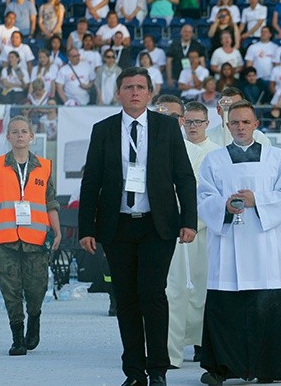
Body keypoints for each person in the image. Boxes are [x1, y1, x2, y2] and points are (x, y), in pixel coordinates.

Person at [78, 67, 198, 386]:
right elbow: (90, 183)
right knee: (126, 299)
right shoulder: (103, 130)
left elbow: (184, 176)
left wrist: (189, 220)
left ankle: (158, 369)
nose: (134, 92)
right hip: (117, 227)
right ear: (118, 93)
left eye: (140, 87)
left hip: (158, 227)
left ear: (150, 93)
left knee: (153, 294)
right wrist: (86, 228)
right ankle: (134, 372)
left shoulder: (167, 128)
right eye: (128, 87)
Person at [197, 100, 281, 385]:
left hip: (263, 242)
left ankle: (270, 367)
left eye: (246, 122)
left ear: (256, 124)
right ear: (227, 125)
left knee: (266, 303)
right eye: (235, 122)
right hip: (229, 243)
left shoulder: (274, 157)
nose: (240, 127)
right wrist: (224, 206)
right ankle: (221, 367)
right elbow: (203, 199)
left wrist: (259, 201)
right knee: (226, 305)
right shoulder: (214, 160)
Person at [154, 95, 215, 369]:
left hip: (189, 232)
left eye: (173, 117)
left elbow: (203, 195)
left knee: (192, 291)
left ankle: (198, 346)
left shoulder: (201, 154)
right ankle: (164, 351)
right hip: (155, 231)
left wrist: (187, 223)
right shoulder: (149, 148)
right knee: (162, 293)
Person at [0, 115, 60, 356]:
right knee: (10, 290)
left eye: (24, 131)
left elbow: (50, 201)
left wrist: (58, 230)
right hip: (4, 239)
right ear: (8, 137)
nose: (20, 135)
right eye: (15, 131)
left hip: (36, 239)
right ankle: (17, 337)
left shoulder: (44, 166)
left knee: (35, 288)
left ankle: (34, 318)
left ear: (32, 137)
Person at [206, 87, 272, 146]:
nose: (234, 112)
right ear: (218, 110)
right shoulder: (207, 137)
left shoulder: (260, 139)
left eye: (238, 106)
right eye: (228, 108)